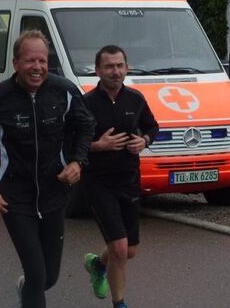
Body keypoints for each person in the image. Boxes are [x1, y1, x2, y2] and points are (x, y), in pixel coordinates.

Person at [0, 30, 95, 308]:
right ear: (16, 63)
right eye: (30, 60)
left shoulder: (64, 91)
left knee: (49, 277)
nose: (37, 67)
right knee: (36, 273)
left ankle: (27, 290)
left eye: (43, 60)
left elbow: (86, 125)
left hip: (54, 193)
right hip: (14, 197)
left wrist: (77, 161)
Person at [82, 45, 159, 308]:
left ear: (126, 68)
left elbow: (152, 126)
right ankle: (120, 304)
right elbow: (69, 142)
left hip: (128, 180)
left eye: (119, 66)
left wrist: (144, 140)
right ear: (98, 70)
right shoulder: (86, 104)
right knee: (120, 248)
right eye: (109, 66)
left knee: (130, 251)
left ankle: (96, 264)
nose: (115, 72)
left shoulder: (135, 99)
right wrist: (97, 146)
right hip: (98, 182)